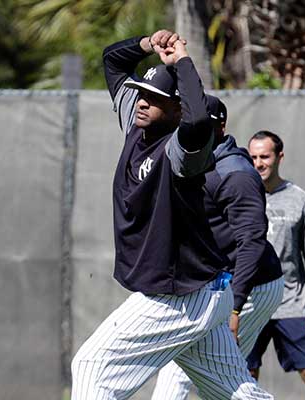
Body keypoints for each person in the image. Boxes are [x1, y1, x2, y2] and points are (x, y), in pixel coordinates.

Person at [70, 30, 273, 399]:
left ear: (178, 108)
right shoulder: (135, 127)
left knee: (91, 365)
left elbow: (196, 123)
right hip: (201, 290)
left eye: (157, 99)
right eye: (143, 95)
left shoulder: (181, 155)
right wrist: (149, 44)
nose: (144, 103)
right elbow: (113, 60)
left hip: (180, 295)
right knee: (236, 393)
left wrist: (181, 60)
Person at [151, 96, 284, 400]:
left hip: (251, 286)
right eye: (188, 126)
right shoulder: (199, 163)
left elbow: (252, 242)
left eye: (202, 126)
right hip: (218, 284)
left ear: (221, 127)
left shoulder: (235, 173)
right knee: (216, 378)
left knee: (198, 374)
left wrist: (235, 306)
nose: (193, 132)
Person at [246, 131, 305, 400]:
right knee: (245, 377)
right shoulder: (240, 194)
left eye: (265, 157)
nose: (258, 163)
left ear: (279, 157)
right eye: (253, 157)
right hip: (248, 304)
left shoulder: (300, 200)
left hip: (290, 304)